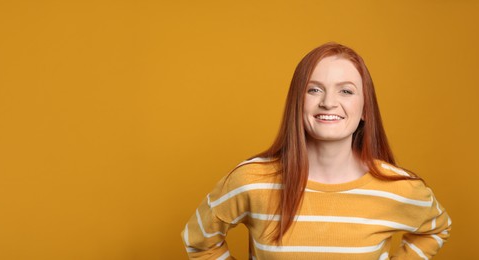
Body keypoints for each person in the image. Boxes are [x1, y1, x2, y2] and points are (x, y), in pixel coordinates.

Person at [181, 42, 452, 259]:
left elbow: (436, 229)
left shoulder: (398, 188)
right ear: (297, 102)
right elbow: (199, 241)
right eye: (314, 90)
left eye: (346, 91)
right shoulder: (251, 181)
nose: (328, 102)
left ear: (365, 108)